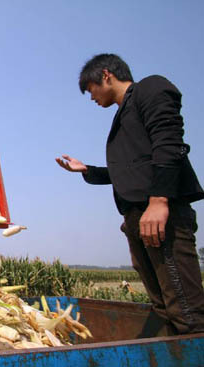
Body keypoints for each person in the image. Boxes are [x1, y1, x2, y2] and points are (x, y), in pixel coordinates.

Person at [56, 53, 204, 334]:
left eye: (90, 89)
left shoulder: (151, 89)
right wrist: (87, 170)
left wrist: (159, 201)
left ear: (105, 75)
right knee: (163, 307)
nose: (91, 98)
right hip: (139, 218)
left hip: (162, 217)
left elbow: (169, 144)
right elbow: (131, 170)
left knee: (186, 310)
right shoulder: (124, 117)